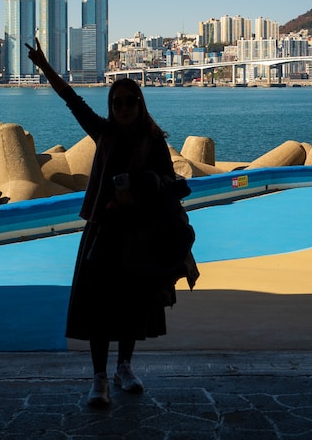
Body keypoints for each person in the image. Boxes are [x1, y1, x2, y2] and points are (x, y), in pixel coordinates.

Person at [26, 38, 197, 407]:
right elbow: (71, 99)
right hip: (103, 232)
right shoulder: (103, 133)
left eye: (129, 101)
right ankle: (99, 377)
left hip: (139, 232)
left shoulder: (152, 142)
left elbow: (171, 186)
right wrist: (43, 65)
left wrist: (139, 191)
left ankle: (124, 367)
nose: (122, 108)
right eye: (116, 102)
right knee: (98, 307)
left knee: (132, 306)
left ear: (140, 104)